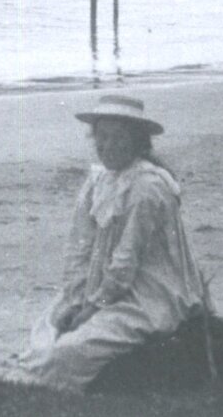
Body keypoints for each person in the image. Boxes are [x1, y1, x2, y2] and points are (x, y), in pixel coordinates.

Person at [19, 94, 207, 393]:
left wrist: (93, 308)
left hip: (146, 293)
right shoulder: (98, 181)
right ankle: (30, 377)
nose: (107, 146)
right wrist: (76, 296)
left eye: (118, 138)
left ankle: (44, 386)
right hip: (99, 287)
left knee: (69, 351)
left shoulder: (148, 187)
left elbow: (125, 263)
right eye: (101, 137)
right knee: (48, 331)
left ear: (136, 142)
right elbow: (79, 247)